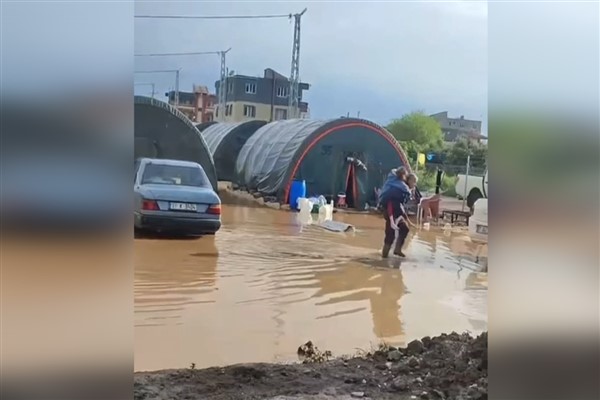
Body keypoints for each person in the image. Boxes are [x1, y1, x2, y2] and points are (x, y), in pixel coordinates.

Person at [378, 167, 412, 258]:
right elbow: (393, 203)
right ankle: (384, 257)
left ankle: (397, 250)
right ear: (403, 176)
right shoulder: (399, 187)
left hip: (395, 211)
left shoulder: (393, 182)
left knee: (404, 228)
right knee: (390, 234)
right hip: (391, 211)